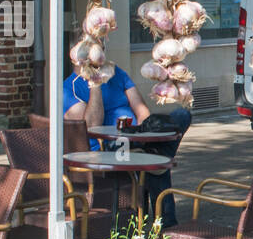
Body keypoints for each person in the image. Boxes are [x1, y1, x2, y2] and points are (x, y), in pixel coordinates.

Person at [63, 52, 192, 227]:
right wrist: (95, 85)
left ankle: (151, 153)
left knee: (182, 115)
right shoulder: (68, 88)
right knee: (157, 162)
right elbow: (91, 126)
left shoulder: (117, 73)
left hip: (135, 137)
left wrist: (146, 135)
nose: (99, 59)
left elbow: (142, 113)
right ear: (79, 59)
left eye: (100, 52)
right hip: (107, 146)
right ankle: (166, 223)